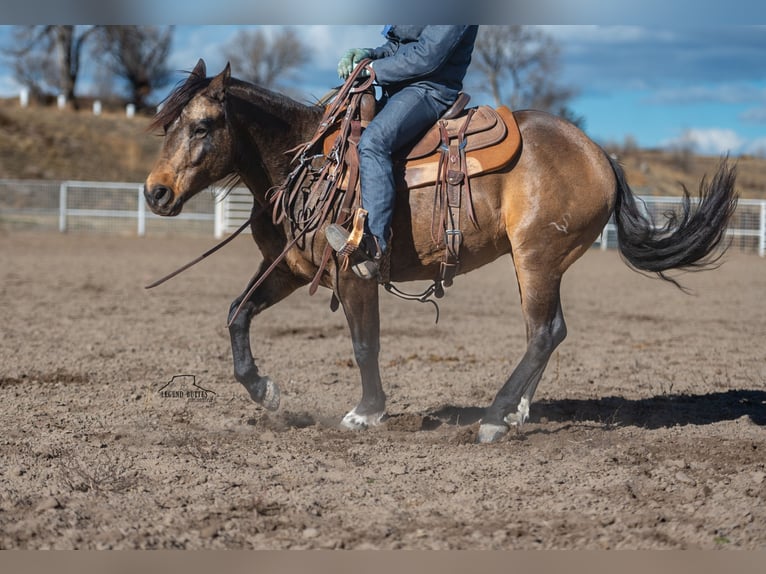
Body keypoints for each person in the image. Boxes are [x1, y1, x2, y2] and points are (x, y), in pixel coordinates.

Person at [325, 25, 479, 280]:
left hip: (430, 90)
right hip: (397, 89)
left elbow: (428, 56)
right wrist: (368, 54)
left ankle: (374, 247)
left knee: (374, 143)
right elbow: (398, 46)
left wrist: (373, 70)